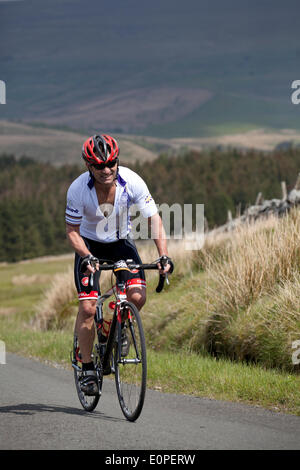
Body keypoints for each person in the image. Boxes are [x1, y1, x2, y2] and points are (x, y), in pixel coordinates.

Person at [65, 134, 173, 395]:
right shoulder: (78, 189)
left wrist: (163, 256)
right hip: (88, 245)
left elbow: (154, 220)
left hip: (120, 243)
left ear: (117, 161)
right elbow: (72, 230)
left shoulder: (132, 181)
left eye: (111, 163)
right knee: (89, 308)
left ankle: (114, 327)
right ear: (88, 166)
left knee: (136, 296)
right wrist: (86, 255)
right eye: (99, 165)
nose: (106, 169)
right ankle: (88, 368)